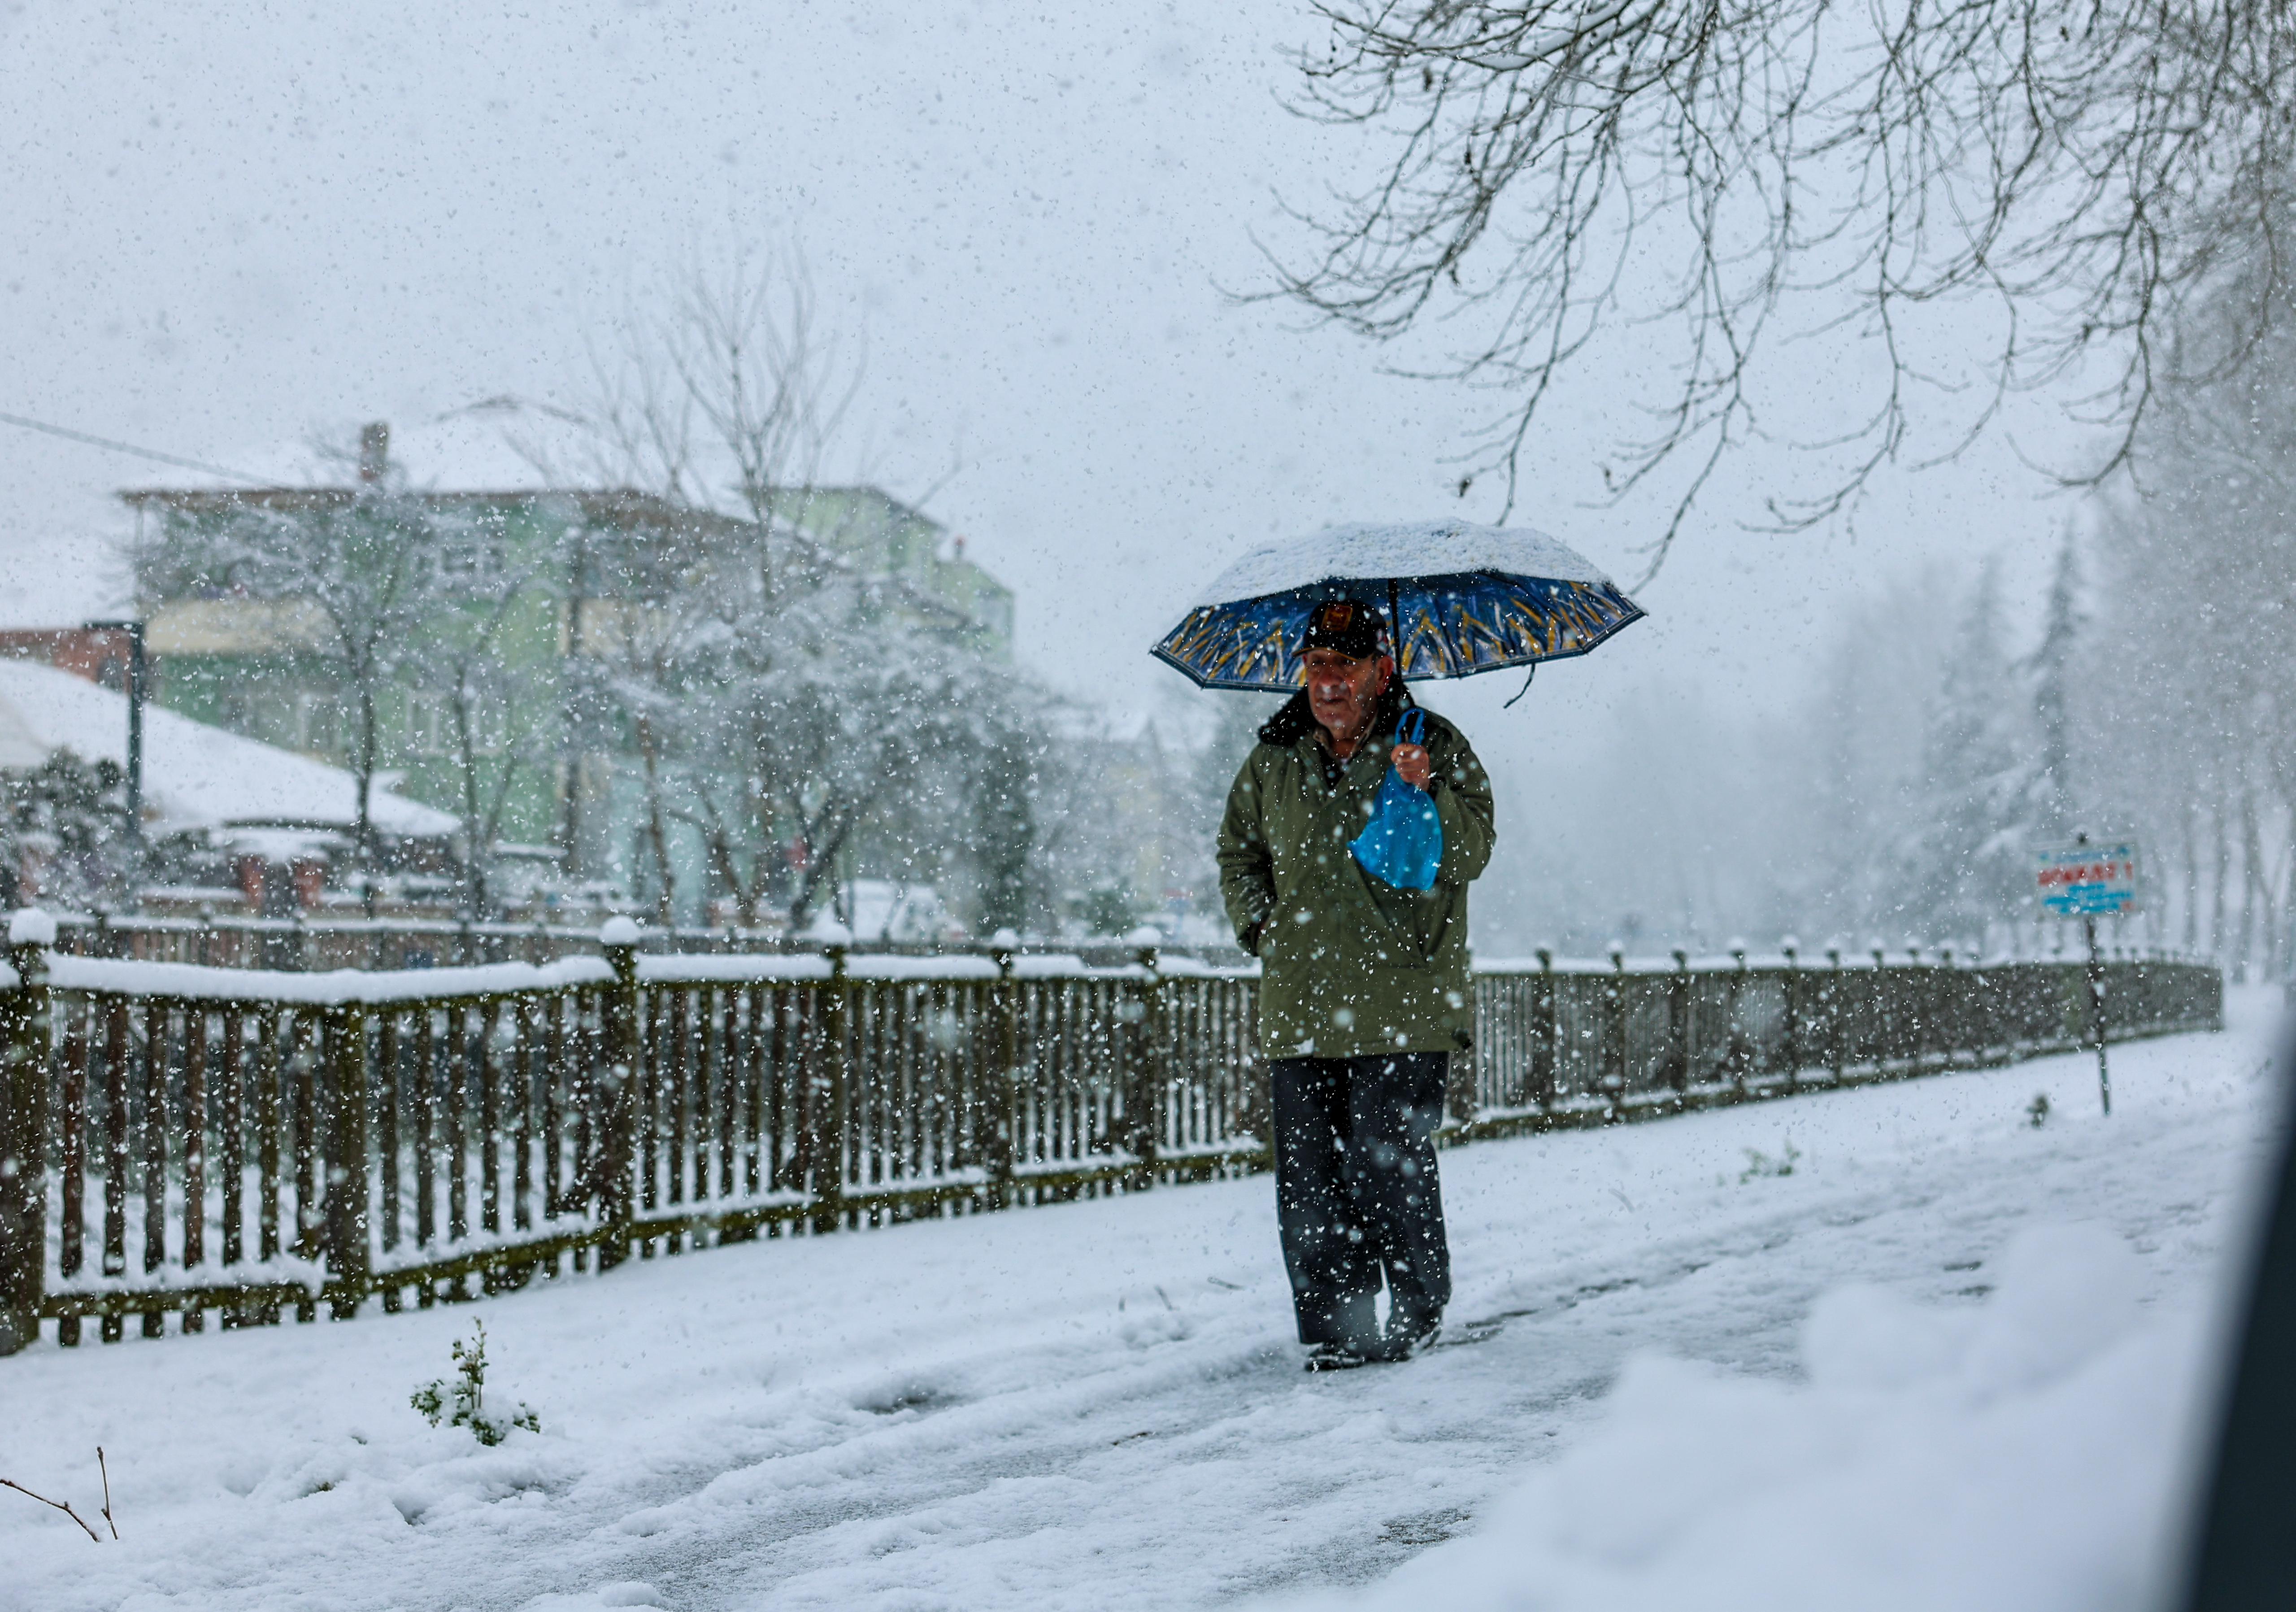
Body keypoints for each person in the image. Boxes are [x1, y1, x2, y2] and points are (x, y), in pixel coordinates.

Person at [1217, 596, 1496, 1369]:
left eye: (1345, 665)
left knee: (1386, 1158)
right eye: (1315, 666)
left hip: (1402, 1000)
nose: (1328, 682)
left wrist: (1430, 786)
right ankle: (1339, 1326)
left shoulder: (1432, 743)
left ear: (1384, 669)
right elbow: (1237, 852)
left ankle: (1414, 1311)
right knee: (1310, 1174)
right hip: (1300, 1001)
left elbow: (1470, 852)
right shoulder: (1274, 756)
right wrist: (1260, 925)